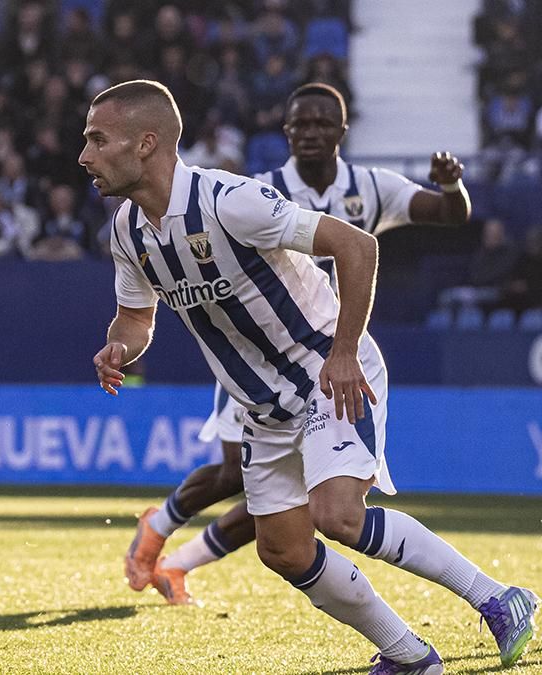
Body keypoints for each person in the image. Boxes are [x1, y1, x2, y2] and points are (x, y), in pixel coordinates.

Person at [84, 80, 535, 672]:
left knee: (338, 515)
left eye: (97, 139)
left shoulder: (229, 200)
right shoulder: (126, 230)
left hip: (327, 371)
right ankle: (408, 655)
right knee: (284, 550)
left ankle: (500, 600)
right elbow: (136, 316)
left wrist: (345, 350)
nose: (84, 155)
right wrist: (121, 345)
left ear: (146, 143)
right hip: (261, 406)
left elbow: (358, 247)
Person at [125, 83, 474, 606]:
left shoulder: (370, 187)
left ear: (342, 131)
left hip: (329, 351)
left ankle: (175, 560)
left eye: (321, 124)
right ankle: (163, 531)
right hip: (254, 355)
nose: (310, 133)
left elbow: (449, 215)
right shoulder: (255, 189)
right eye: (299, 125)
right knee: (237, 478)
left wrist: (451, 189)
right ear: (285, 131)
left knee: (311, 507)